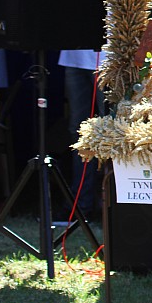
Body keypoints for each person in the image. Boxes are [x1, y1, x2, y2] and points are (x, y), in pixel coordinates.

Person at [59, 49, 106, 219]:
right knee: (79, 134)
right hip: (74, 56)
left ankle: (112, 202)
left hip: (108, 59)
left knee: (112, 132)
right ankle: (80, 205)